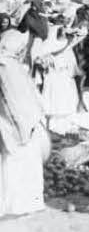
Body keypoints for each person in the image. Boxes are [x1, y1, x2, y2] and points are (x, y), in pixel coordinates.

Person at [0, 54, 48, 217]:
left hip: (19, 120)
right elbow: (10, 99)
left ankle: (16, 204)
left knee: (16, 161)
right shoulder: (6, 65)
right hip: (16, 122)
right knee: (16, 160)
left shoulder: (10, 63)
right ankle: (16, 205)